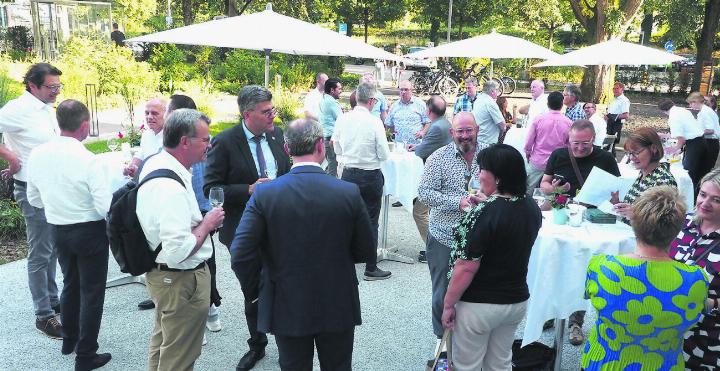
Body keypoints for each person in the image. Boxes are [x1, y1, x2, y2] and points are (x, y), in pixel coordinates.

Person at [230, 118, 375, 371]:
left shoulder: (265, 194)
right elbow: (365, 250)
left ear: (287, 149)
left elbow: (240, 253)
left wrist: (257, 290)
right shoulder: (347, 192)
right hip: (337, 298)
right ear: (321, 145)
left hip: (286, 301)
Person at [204, 85, 291, 371]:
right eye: (266, 112)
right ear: (247, 114)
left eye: (272, 110)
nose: (272, 116)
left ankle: (289, 342)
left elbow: (287, 170)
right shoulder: (226, 141)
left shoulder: (276, 134)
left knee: (284, 284)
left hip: (280, 226)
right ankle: (257, 345)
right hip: (244, 229)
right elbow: (211, 188)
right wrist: (249, 189)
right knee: (253, 290)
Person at [26, 100, 113, 370]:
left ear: (58, 123)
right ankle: (86, 354)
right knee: (92, 292)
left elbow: (34, 199)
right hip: (89, 230)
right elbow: (104, 207)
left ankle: (69, 339)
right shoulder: (89, 159)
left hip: (58, 229)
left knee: (71, 284)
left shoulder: (37, 155)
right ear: (85, 126)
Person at [136, 109, 224, 371]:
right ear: (185, 141)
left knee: (165, 343)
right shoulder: (170, 187)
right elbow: (177, 251)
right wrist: (207, 224)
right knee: (179, 357)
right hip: (179, 280)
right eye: (205, 139)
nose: (209, 145)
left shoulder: (155, 163)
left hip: (164, 277)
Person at [441, 144, 542, 371]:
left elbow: (466, 266)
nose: (479, 174)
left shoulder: (484, 213)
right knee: (500, 363)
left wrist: (448, 304)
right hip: (515, 300)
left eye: (482, 169)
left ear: (498, 177)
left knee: (467, 365)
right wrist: (487, 205)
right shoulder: (530, 206)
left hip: (479, 303)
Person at [583, 186, 707, 370]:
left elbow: (590, 297)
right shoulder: (696, 278)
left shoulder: (601, 266)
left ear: (634, 223)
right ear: (678, 229)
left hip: (603, 362)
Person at [0, 62, 63, 338]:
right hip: (31, 187)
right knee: (40, 252)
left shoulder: (45, 109)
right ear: (32, 85)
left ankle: (52, 299)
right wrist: (10, 156)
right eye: (51, 87)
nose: (56, 92)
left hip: (52, 186)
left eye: (59, 86)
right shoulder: (17, 109)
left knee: (52, 247)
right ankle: (44, 316)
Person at [418, 112, 486, 360]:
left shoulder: (489, 155)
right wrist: (456, 202)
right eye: (460, 131)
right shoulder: (438, 158)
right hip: (445, 236)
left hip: (481, 238)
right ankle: (442, 341)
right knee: (443, 292)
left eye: (469, 130)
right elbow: (424, 193)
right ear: (452, 133)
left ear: (477, 129)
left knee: (478, 291)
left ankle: (470, 338)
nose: (465, 135)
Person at [332, 81, 392, 281]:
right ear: (372, 101)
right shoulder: (374, 122)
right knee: (371, 220)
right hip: (370, 173)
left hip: (348, 173)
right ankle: (370, 266)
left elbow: (337, 147)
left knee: (347, 218)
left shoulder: (343, 118)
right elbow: (384, 153)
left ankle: (343, 260)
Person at [670, 168, 720, 369]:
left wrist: (707, 303)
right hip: (669, 329)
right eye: (703, 194)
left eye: (716, 200)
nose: (705, 203)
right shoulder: (684, 222)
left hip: (707, 339)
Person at [408, 95, 452, 263]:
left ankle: (433, 250)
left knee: (419, 212)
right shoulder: (444, 123)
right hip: (444, 175)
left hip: (436, 178)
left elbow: (421, 153)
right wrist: (418, 145)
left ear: (428, 110)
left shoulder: (435, 128)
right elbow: (429, 146)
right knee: (433, 214)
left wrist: (415, 149)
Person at [611, 128, 677, 223]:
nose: (631, 158)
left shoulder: (663, 181)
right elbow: (637, 207)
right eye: (629, 153)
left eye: (636, 153)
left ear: (653, 149)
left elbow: (664, 222)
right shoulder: (644, 173)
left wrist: (635, 215)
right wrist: (618, 203)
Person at [541, 120, 621, 197]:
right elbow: (544, 183)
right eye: (576, 143)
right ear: (569, 138)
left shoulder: (606, 158)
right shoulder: (558, 155)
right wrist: (554, 189)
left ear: (593, 138)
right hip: (560, 207)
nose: (580, 148)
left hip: (592, 209)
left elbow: (618, 188)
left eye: (585, 143)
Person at [659, 98, 709, 197]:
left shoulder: (673, 117)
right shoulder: (682, 110)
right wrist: (666, 136)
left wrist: (675, 148)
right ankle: (695, 195)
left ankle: (689, 198)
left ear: (663, 111)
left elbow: (681, 139)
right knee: (697, 172)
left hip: (695, 145)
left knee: (688, 173)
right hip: (701, 141)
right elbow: (684, 132)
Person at [523, 91, 572, 192]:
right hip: (557, 163)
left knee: (528, 189)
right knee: (552, 193)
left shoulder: (539, 119)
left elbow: (529, 141)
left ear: (547, 103)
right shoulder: (568, 123)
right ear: (562, 104)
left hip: (538, 160)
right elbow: (569, 144)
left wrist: (528, 153)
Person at [124, 98, 167, 178]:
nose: (149, 117)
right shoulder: (147, 134)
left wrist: (140, 173)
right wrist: (130, 168)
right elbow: (141, 154)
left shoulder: (171, 136)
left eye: (154, 113)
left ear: (166, 114)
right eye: (147, 113)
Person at [386, 79, 429, 145]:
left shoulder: (420, 104)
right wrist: (391, 136)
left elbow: (428, 122)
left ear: (411, 90)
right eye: (401, 89)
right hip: (399, 145)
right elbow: (388, 124)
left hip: (416, 145)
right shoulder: (394, 106)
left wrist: (423, 132)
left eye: (406, 89)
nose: (403, 92)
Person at [688, 92, 720, 174]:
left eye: (690, 103)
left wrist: (696, 132)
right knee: (701, 169)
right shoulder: (704, 111)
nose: (690, 106)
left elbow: (710, 130)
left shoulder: (705, 112)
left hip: (710, 143)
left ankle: (700, 186)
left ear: (696, 101)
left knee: (702, 170)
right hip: (708, 142)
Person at [319, 78, 343, 177]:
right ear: (332, 90)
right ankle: (331, 188)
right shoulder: (332, 102)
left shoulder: (324, 99)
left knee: (330, 164)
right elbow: (342, 120)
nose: (341, 91)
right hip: (331, 138)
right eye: (339, 89)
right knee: (333, 166)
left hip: (326, 136)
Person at [471, 80, 505, 147]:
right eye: (497, 90)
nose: (498, 92)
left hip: (478, 139)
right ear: (492, 91)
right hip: (488, 142)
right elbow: (502, 125)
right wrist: (500, 135)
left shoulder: (478, 99)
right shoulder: (490, 103)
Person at [605, 82, 630, 154]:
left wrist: (610, 116)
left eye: (617, 88)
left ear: (622, 89)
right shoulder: (615, 99)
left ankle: (612, 161)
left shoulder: (624, 100)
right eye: (614, 88)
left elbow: (626, 115)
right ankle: (612, 161)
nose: (615, 90)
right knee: (608, 145)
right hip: (610, 123)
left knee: (610, 144)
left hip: (616, 124)